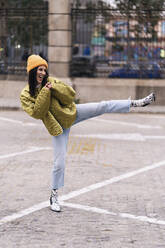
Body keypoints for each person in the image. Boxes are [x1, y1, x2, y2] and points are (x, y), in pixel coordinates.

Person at [20, 54, 156, 212]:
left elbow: (70, 95)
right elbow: (38, 112)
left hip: (72, 113)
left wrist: (54, 87)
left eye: (44, 69)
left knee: (102, 106)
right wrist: (44, 92)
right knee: (59, 163)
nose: (42, 73)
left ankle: (135, 103)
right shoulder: (25, 95)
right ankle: (54, 196)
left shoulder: (51, 82)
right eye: (39, 69)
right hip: (58, 127)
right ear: (32, 71)